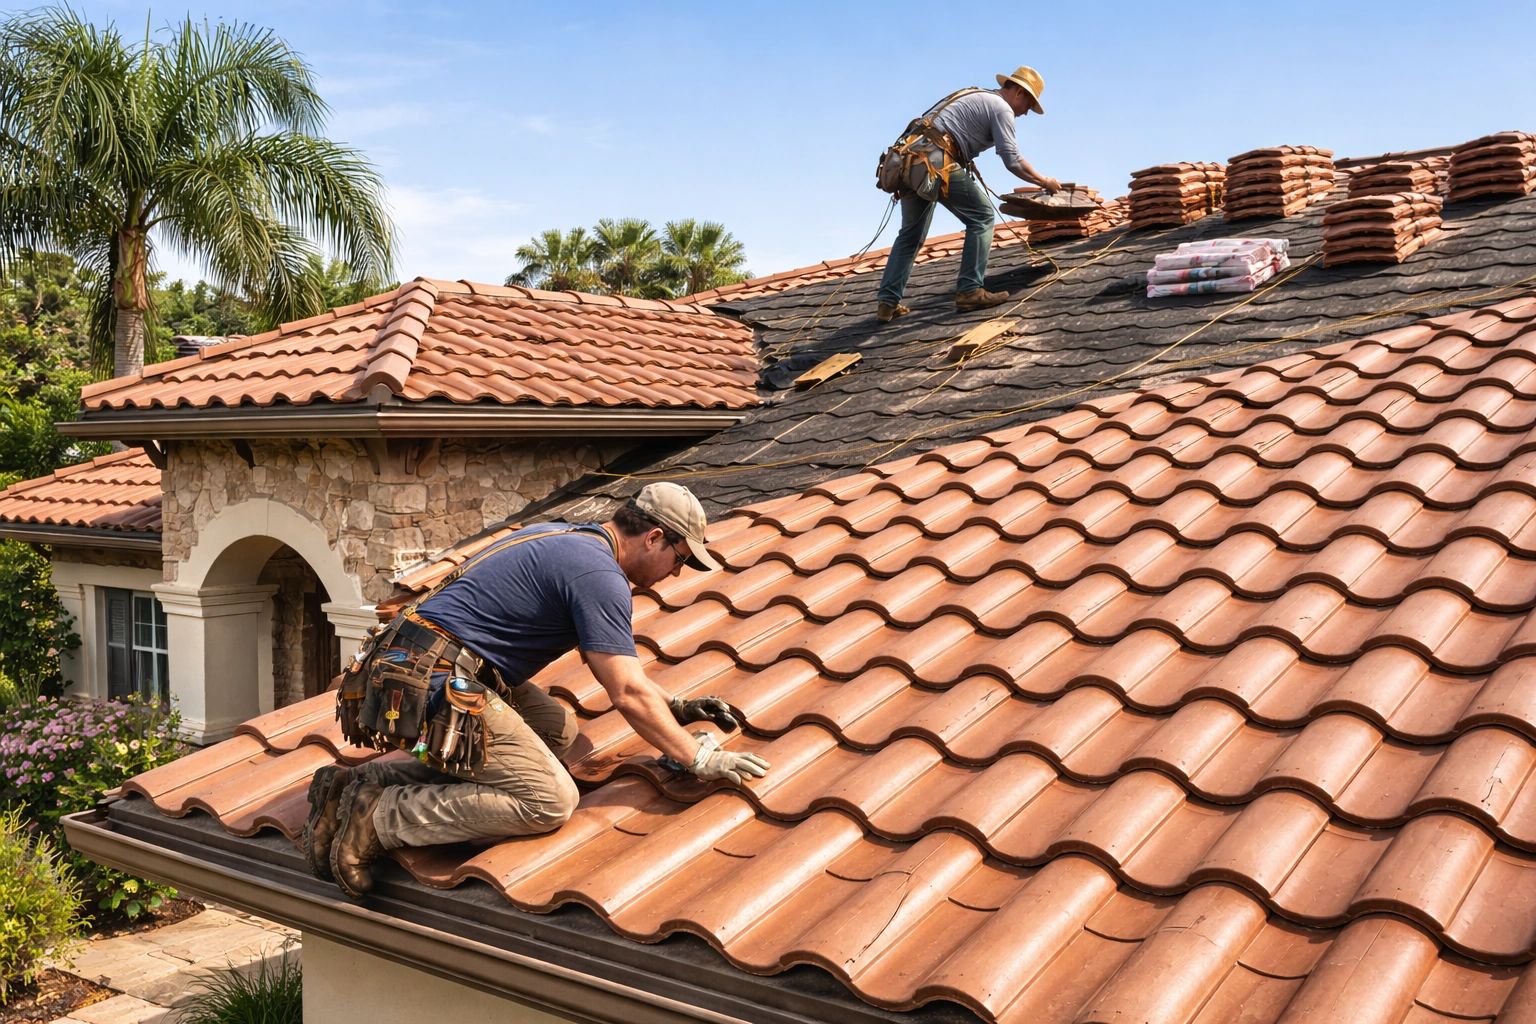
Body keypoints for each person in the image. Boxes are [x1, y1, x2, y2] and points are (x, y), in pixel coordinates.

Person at [303, 482, 770, 899]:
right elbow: (625, 692)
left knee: (556, 730)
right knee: (548, 800)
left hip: (410, 663)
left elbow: (612, 667)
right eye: (680, 559)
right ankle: (380, 817)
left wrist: (676, 708)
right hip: (433, 680)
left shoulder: (570, 539)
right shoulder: (600, 577)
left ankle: (363, 783)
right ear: (653, 537)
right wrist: (697, 757)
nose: (676, 573)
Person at [875, 65, 1063, 323]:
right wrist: (1046, 181)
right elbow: (1013, 160)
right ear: (1018, 92)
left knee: (911, 234)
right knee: (983, 217)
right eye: (1028, 105)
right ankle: (970, 291)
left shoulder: (975, 95)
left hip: (910, 162)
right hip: (934, 160)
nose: (1026, 113)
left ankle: (887, 303)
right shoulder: (1002, 108)